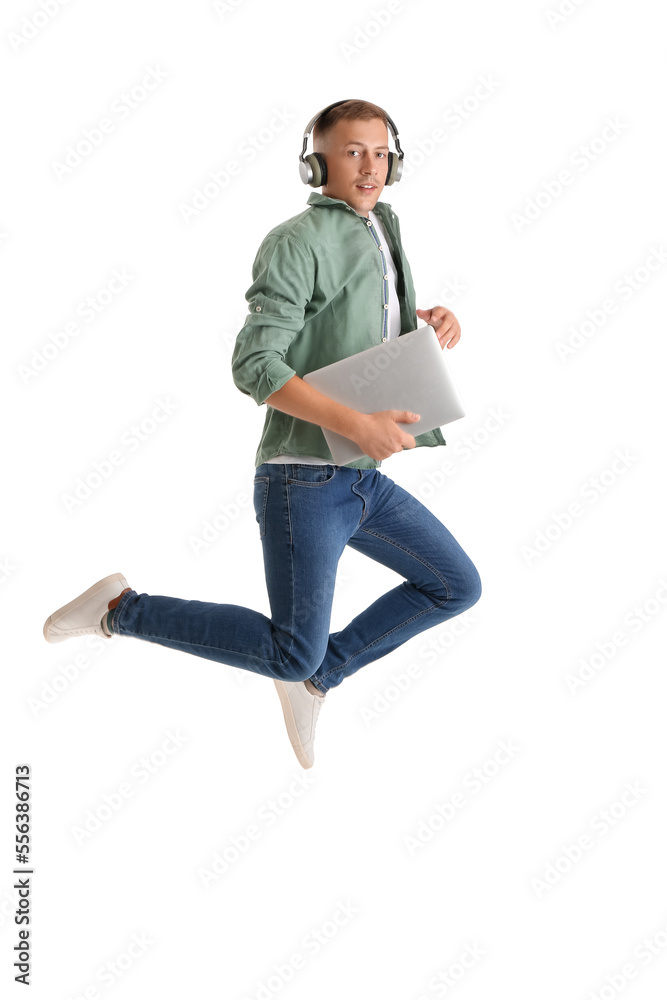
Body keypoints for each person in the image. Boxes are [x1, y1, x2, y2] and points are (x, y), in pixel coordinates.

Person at [43, 99, 482, 769]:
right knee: (287, 646)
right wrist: (357, 422)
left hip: (360, 477)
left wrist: (424, 320)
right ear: (317, 164)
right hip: (302, 478)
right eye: (351, 152)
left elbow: (347, 320)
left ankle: (316, 676)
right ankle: (121, 609)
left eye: (379, 150)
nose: (369, 165)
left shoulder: (381, 229)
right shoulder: (297, 240)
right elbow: (255, 364)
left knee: (454, 585)